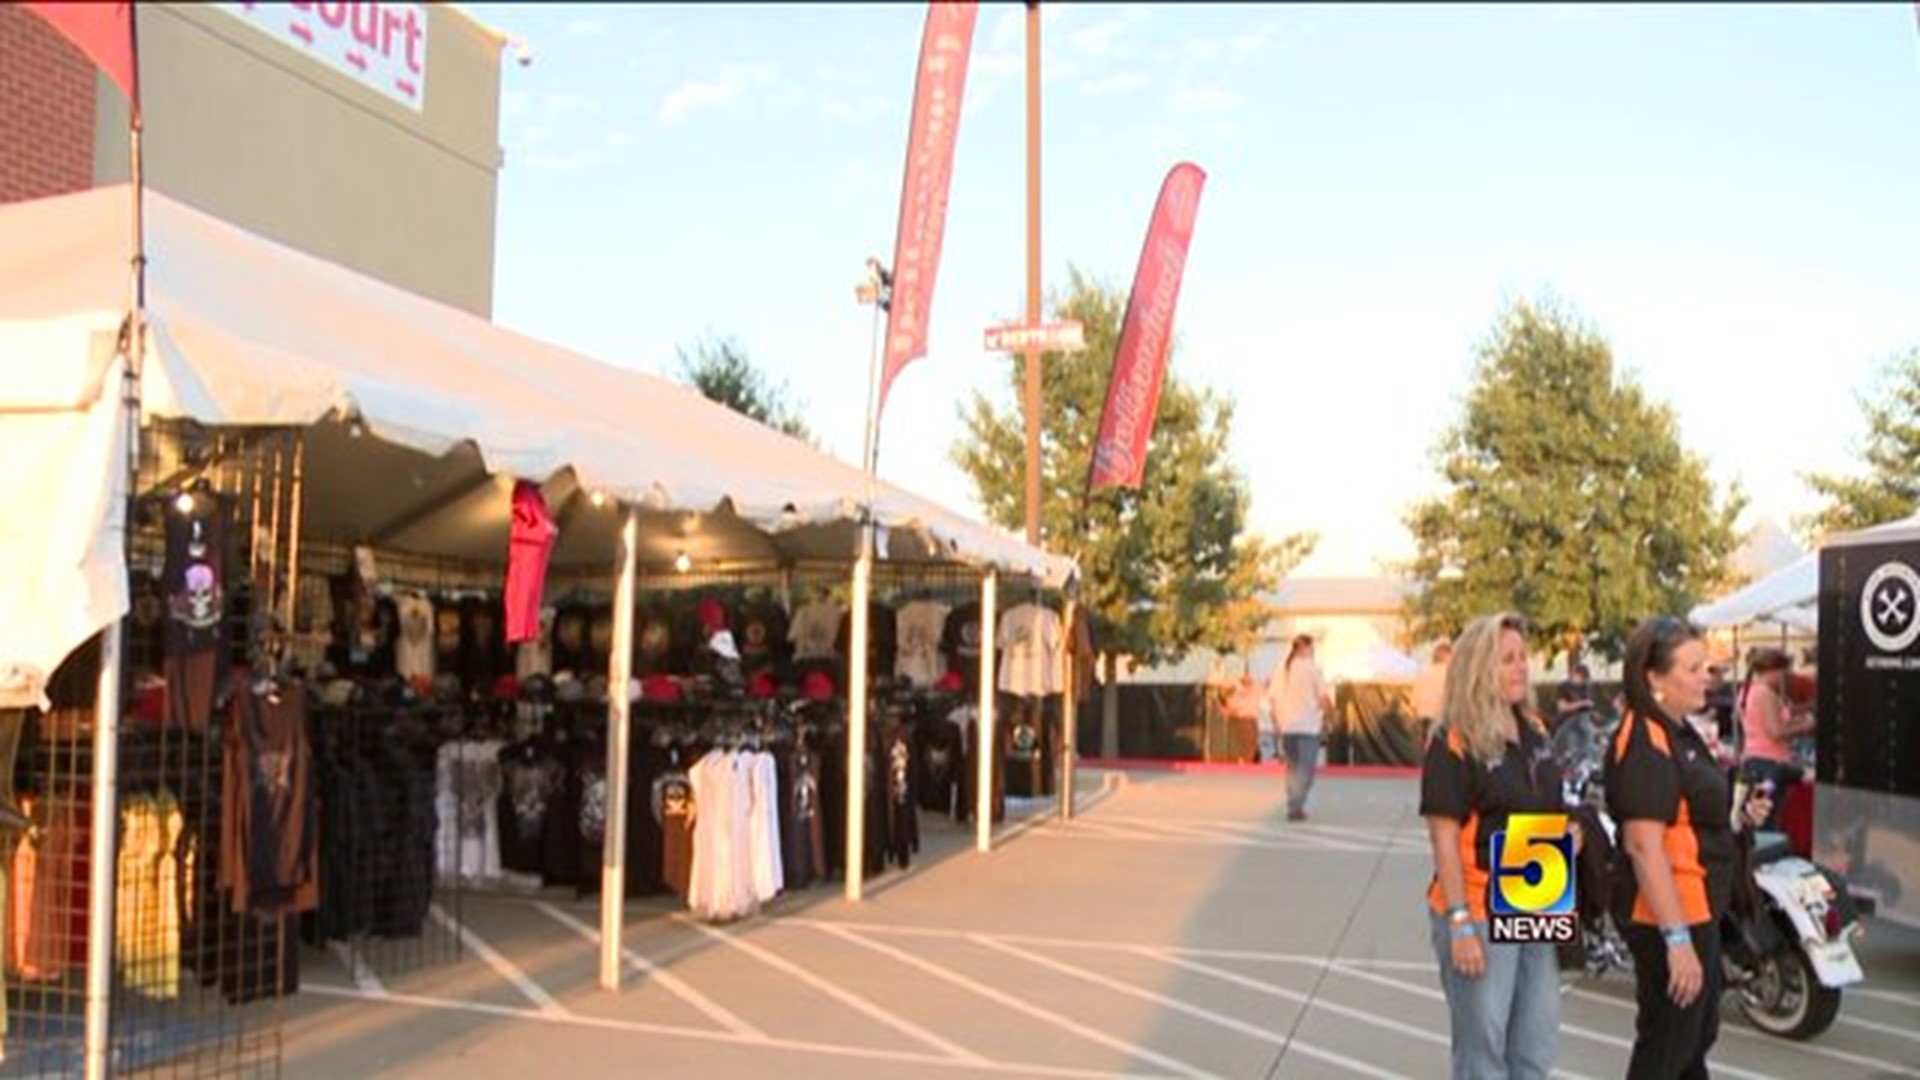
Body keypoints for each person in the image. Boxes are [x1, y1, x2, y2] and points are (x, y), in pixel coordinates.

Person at [1608, 616, 1771, 1080]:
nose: (1708, 675)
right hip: (1669, 912)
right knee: (1669, 1046)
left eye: (1707, 665)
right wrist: (1676, 940)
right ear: (1654, 678)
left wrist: (1738, 816)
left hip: (1698, 905)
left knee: (1694, 1041)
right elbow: (1643, 845)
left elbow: (1689, 816)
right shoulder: (1644, 740)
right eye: (1694, 666)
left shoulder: (1677, 731)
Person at [1420, 613, 1566, 1080]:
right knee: (1483, 1051)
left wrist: (1574, 830)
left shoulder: (1535, 730)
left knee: (1535, 1044)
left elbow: (1545, 806)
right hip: (1479, 904)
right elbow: (1443, 836)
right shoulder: (1453, 740)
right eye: (1507, 660)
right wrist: (1460, 922)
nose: (1521, 667)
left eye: (1523, 657)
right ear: (1478, 668)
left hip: (1536, 892)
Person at [1736, 647, 1812, 830]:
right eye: (1783, 672)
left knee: (1756, 815)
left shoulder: (1746, 692)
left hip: (1751, 761)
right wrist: (1805, 725)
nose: (1784, 677)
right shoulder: (1765, 693)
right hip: (1771, 765)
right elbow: (1776, 731)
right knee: (1769, 817)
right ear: (1773, 670)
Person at [1268, 634, 1332, 820]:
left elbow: (1272, 698)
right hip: (1308, 726)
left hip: (1287, 726)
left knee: (1293, 767)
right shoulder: (1313, 668)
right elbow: (1322, 698)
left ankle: (1293, 803)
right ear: (1307, 648)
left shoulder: (1281, 669)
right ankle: (1296, 804)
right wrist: (1326, 716)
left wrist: (1277, 721)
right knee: (1306, 769)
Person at [1411, 640, 1452, 747]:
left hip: (1423, 717)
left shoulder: (1423, 674)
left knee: (1426, 749)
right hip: (1441, 718)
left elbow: (1414, 702)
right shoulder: (1450, 674)